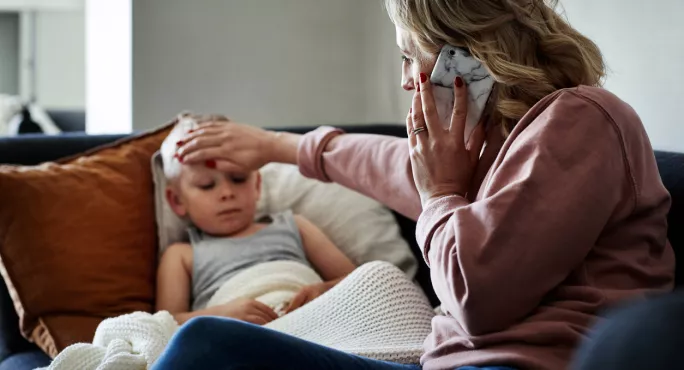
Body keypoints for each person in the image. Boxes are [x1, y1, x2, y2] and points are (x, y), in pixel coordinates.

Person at [152, 0, 675, 369]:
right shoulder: (494, 142)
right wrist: (279, 146)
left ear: (468, 54)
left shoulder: (581, 120)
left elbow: (478, 297)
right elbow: (394, 166)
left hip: (519, 365)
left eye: (409, 55)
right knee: (206, 343)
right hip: (447, 363)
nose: (405, 80)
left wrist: (442, 194)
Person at [155, 118, 356, 325]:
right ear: (177, 201)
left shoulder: (295, 226)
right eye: (206, 185)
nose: (226, 193)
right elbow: (165, 324)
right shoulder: (181, 255)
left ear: (257, 185)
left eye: (238, 179)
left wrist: (324, 292)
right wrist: (220, 315)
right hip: (239, 337)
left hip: (316, 324)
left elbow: (361, 281)